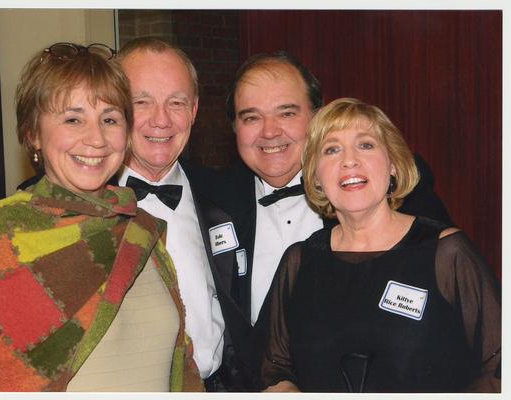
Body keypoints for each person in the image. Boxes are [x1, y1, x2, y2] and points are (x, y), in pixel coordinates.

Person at [192, 51, 454, 391]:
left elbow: (454, 324)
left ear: (318, 116)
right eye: (251, 118)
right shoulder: (210, 199)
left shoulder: (382, 189)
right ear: (233, 128)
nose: (270, 132)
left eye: (286, 112)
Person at [0, 42, 202, 392]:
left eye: (109, 119)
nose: (97, 139)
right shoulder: (12, 235)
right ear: (33, 133)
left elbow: (181, 368)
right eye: (73, 119)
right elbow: (3, 380)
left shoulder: (140, 228)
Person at [260, 97, 501, 392]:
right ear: (316, 177)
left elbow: (498, 365)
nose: (349, 160)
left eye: (365, 145)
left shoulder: (446, 254)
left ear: (394, 166)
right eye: (332, 149)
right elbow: (276, 369)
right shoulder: (299, 262)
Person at [114, 37, 228, 391]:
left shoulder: (225, 194)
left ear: (193, 110)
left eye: (176, 102)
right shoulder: (76, 204)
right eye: (141, 102)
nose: (161, 120)